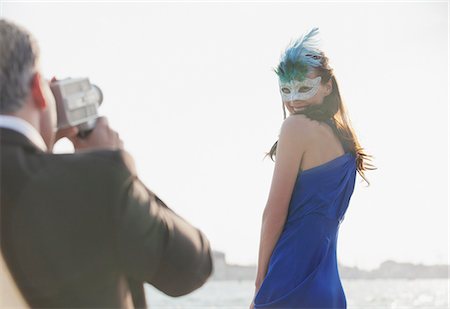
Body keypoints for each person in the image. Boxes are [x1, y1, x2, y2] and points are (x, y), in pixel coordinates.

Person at [0, 19, 213, 308]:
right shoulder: (99, 180)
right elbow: (192, 266)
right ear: (39, 89)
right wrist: (114, 168)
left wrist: (45, 144)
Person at [251, 28, 376, 308]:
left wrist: (260, 281)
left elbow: (274, 212)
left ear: (327, 85)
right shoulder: (347, 143)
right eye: (286, 89)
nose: (293, 99)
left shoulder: (294, 127)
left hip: (289, 277)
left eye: (303, 87)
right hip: (329, 288)